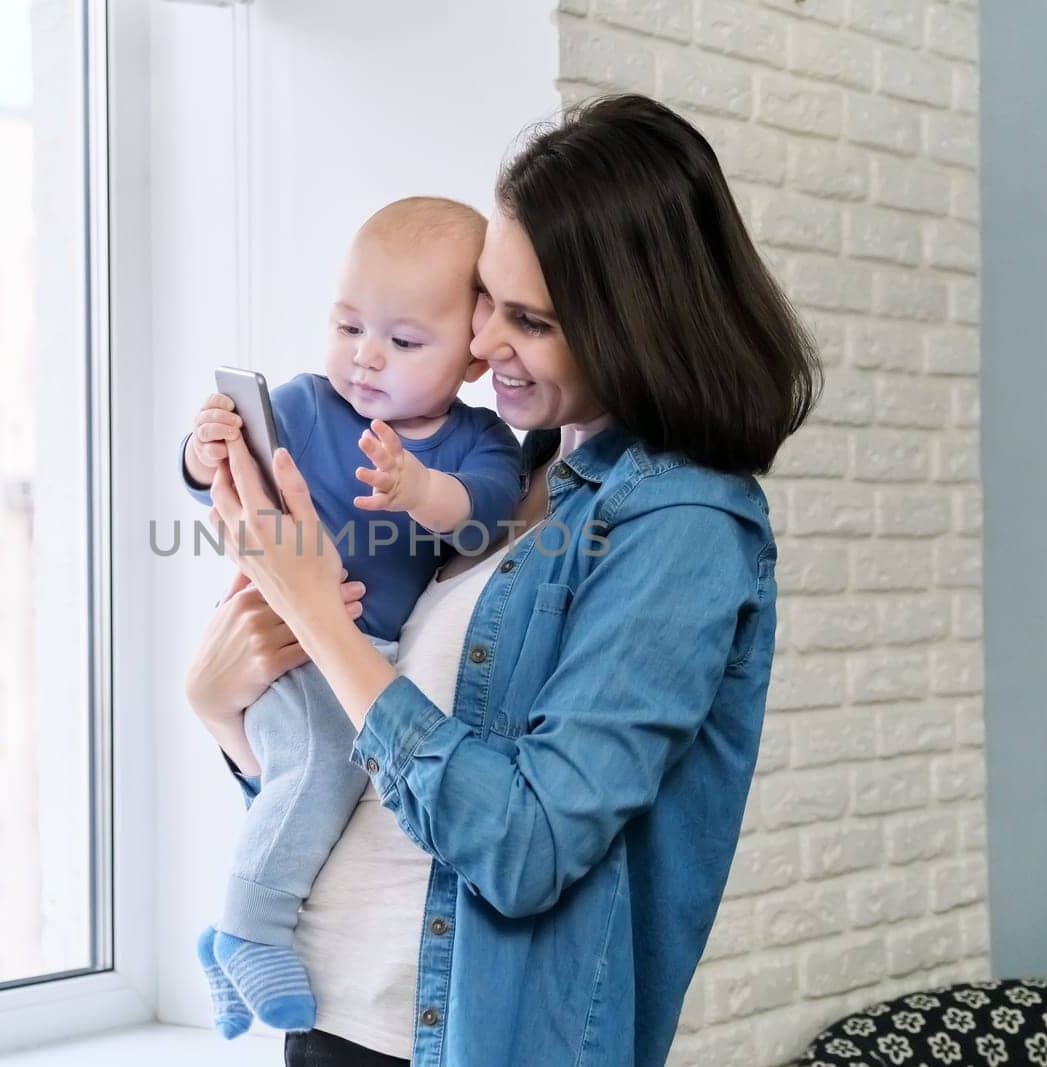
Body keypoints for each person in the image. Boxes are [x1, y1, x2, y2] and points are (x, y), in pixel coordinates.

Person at [187, 93, 820, 1066]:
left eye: (529, 320)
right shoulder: (506, 475)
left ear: (634, 323)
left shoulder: (683, 528)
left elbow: (524, 848)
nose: (481, 345)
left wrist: (321, 617)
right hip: (334, 1018)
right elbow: (367, 791)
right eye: (485, 296)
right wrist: (227, 713)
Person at [177, 197, 525, 1036]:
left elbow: (483, 513)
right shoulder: (303, 404)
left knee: (320, 789)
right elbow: (210, 486)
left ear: (472, 357)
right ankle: (251, 927)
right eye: (347, 326)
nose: (366, 359)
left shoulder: (479, 441)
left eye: (404, 342)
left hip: (358, 655)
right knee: (321, 772)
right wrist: (202, 451)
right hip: (287, 638)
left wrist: (416, 490)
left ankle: (234, 940)